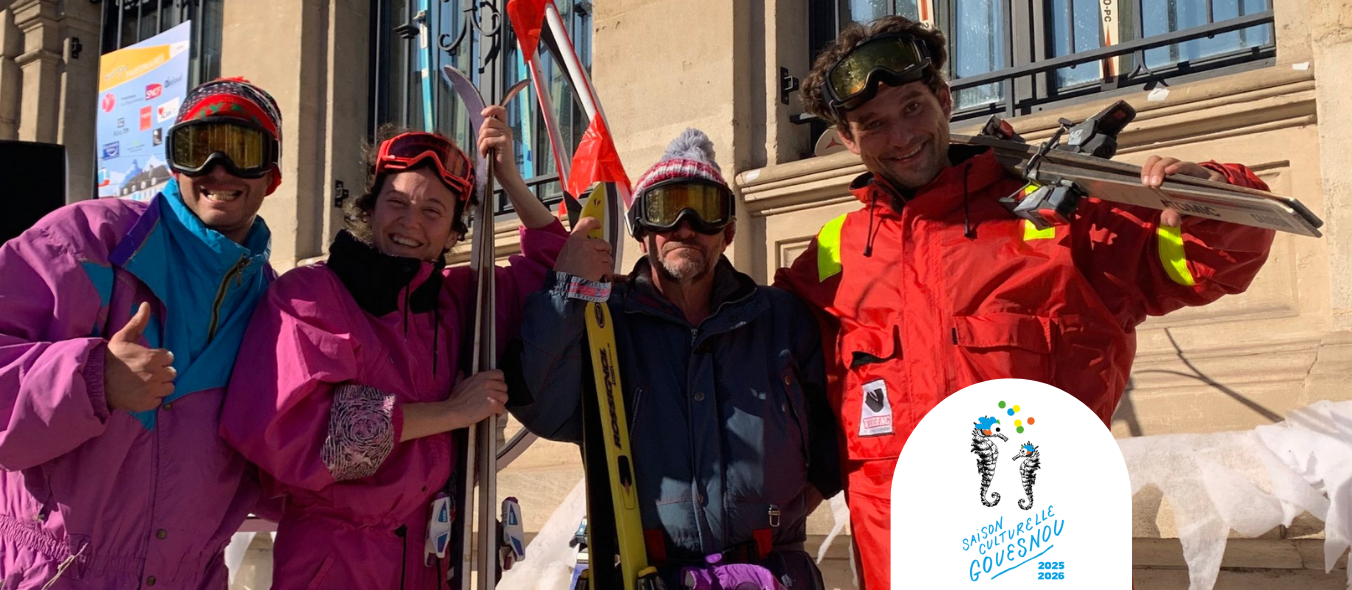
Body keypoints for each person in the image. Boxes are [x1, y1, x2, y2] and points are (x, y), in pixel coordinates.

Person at [774, 17, 1277, 590]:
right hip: (900, 564)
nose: (900, 137)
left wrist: (1208, 195)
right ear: (847, 139)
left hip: (1037, 559)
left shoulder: (1054, 215)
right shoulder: (832, 259)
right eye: (873, 124)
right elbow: (745, 364)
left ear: (943, 98)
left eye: (913, 107)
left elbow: (1215, 259)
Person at [0, 78, 286, 589]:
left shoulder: (274, 306)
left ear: (272, 176)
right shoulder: (85, 240)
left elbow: (279, 462)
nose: (217, 171)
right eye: (198, 148)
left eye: (243, 150)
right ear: (175, 162)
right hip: (48, 574)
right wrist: (92, 378)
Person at [219, 109, 570, 589]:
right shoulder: (311, 294)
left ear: (453, 232)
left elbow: (559, 272)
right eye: (396, 202)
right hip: (335, 562)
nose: (410, 223)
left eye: (433, 211)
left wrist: (510, 179)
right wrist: (451, 412)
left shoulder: (459, 299)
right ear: (369, 208)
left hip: (431, 556)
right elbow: (293, 430)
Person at [512, 129, 843, 588]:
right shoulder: (606, 322)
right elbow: (543, 408)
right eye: (666, 211)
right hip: (650, 575)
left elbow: (839, 427)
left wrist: (789, 508)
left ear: (727, 233)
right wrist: (565, 293)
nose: (685, 227)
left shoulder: (779, 318)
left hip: (774, 575)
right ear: (641, 231)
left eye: (703, 212)